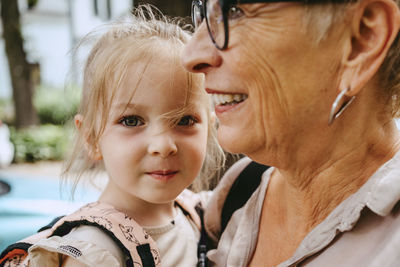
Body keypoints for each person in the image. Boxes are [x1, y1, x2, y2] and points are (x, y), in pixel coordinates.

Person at [0, 5, 224, 267]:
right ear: (92, 137)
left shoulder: (199, 213)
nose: (163, 146)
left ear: (209, 128)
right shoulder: (93, 254)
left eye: (185, 120)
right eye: (131, 121)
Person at [182, 0, 400, 266]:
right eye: (204, 12)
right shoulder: (238, 189)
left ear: (361, 41)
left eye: (234, 10)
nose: (191, 55)